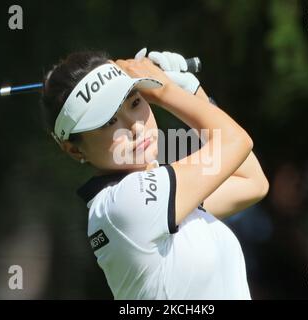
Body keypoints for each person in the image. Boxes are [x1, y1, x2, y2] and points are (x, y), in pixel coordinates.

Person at [40, 48, 269, 299]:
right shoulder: (126, 204)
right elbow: (236, 142)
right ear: (74, 149)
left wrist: (191, 90)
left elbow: (251, 182)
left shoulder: (156, 199)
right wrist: (166, 90)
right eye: (109, 122)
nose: (135, 127)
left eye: (136, 102)